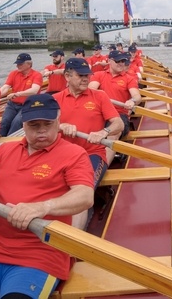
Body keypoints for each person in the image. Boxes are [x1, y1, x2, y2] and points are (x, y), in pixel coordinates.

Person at [0, 94, 94, 299]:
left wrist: (42, 207)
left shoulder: (74, 153)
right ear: (23, 124)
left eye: (48, 123)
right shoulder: (5, 149)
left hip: (40, 256)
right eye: (34, 124)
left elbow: (85, 195)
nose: (42, 130)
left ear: (58, 121)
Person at [53, 58, 123, 229]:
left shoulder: (99, 96)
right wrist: (60, 126)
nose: (86, 79)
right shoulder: (54, 99)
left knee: (81, 191)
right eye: (81, 75)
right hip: (61, 155)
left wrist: (104, 132)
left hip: (91, 154)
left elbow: (118, 124)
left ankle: (71, 243)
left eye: (88, 75)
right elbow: (43, 129)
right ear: (67, 76)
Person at [88, 50, 141, 164]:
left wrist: (132, 101)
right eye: (118, 61)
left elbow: (137, 96)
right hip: (99, 113)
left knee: (113, 134)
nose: (121, 63)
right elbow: (91, 90)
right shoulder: (98, 75)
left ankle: (101, 168)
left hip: (119, 115)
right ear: (109, 61)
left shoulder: (129, 78)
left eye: (123, 61)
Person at [0, 53, 43, 136]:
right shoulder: (13, 73)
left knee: (17, 122)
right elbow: (5, 87)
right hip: (12, 104)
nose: (17, 66)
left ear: (29, 64)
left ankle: (10, 141)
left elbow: (34, 90)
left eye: (20, 64)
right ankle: (0, 138)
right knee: (5, 121)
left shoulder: (37, 75)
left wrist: (18, 94)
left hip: (28, 104)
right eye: (17, 64)